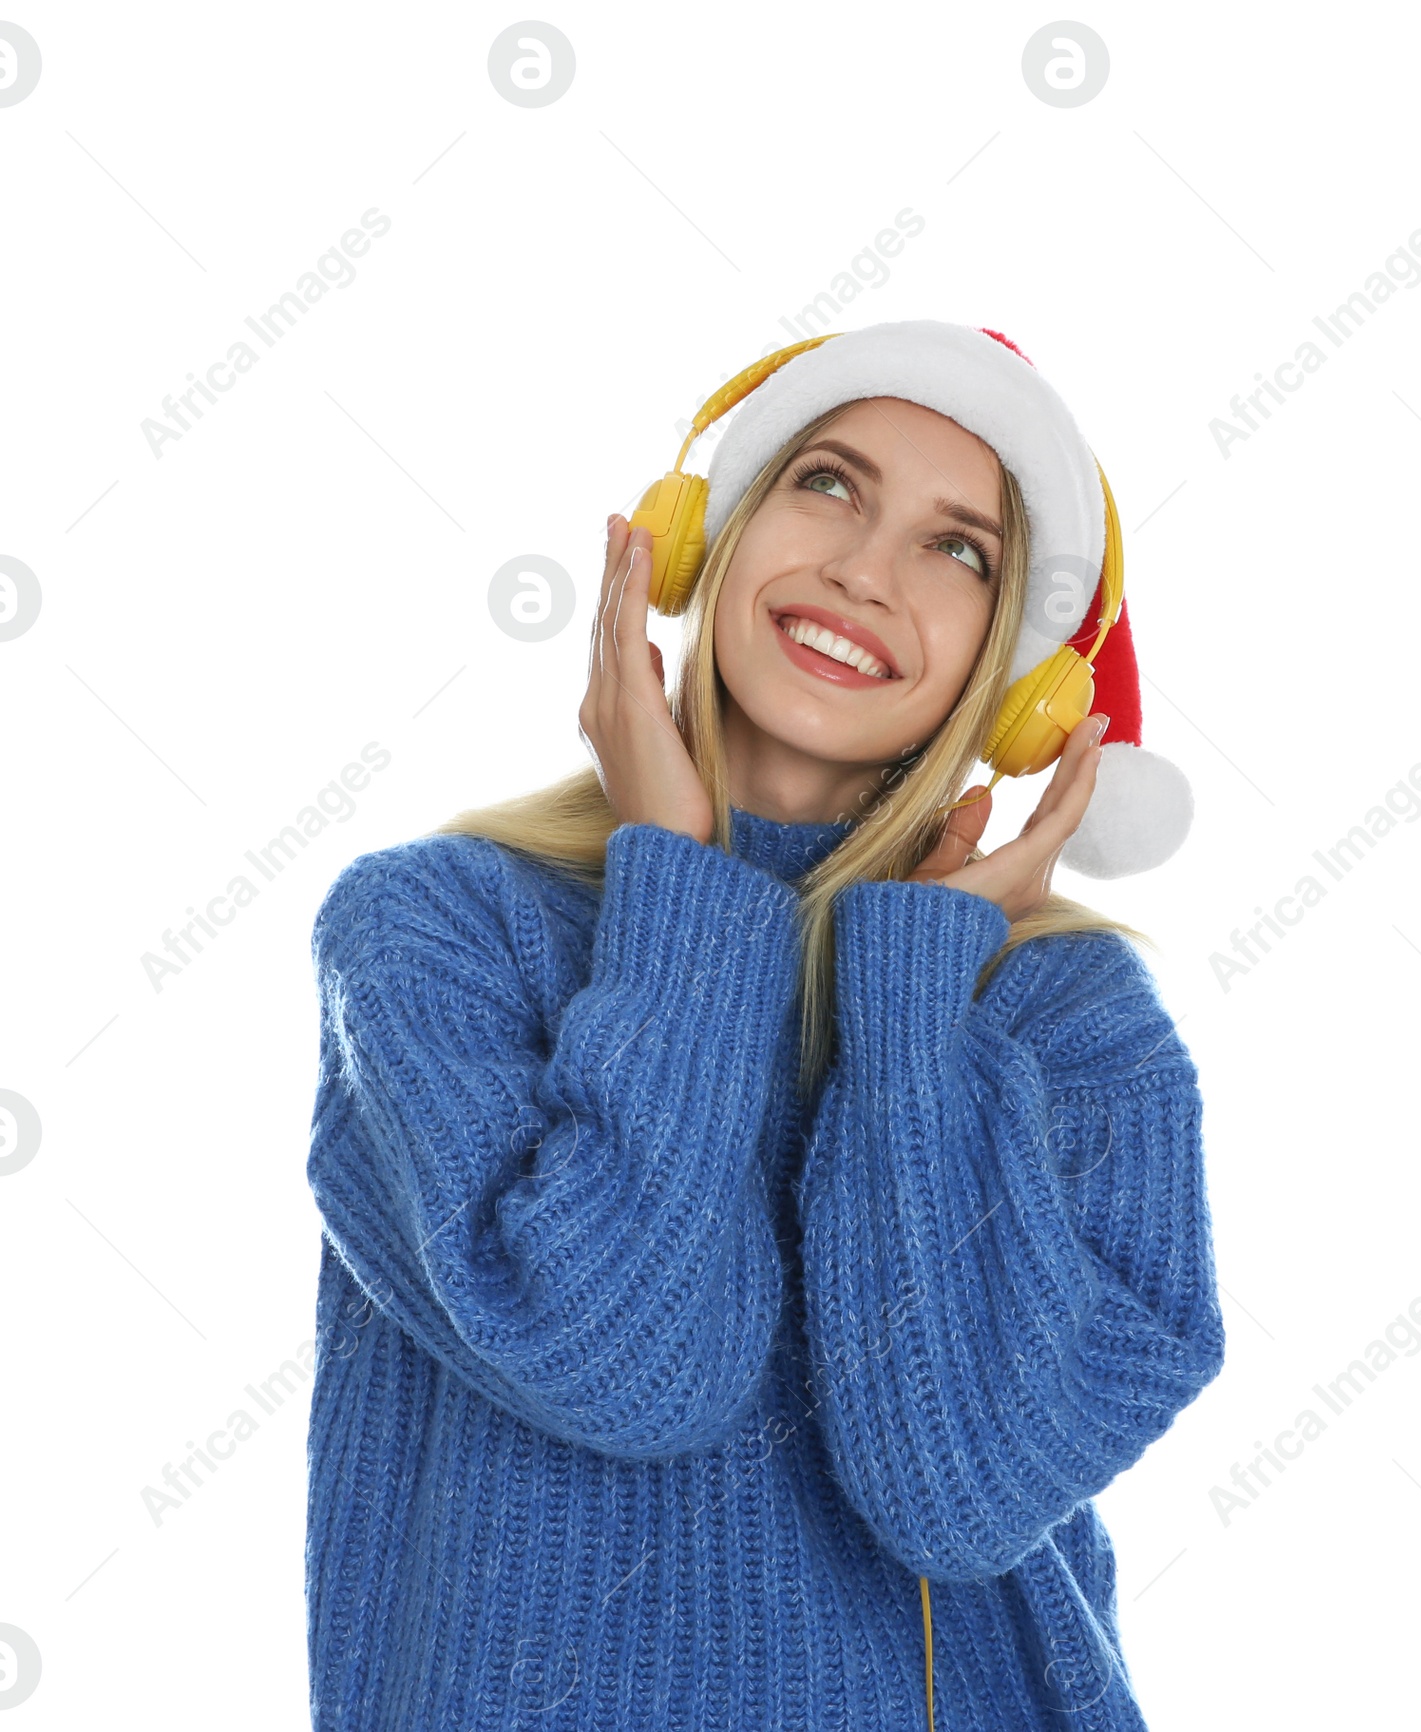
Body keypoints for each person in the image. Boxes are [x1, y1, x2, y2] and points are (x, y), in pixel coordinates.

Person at [303, 320, 1225, 1730]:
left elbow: (956, 1485)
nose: (866, 569)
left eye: (958, 549)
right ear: (697, 543)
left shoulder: (1066, 1020)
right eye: (831, 485)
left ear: (1024, 685)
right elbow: (625, 1360)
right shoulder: (434, 932)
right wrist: (684, 887)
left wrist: (915, 1004)